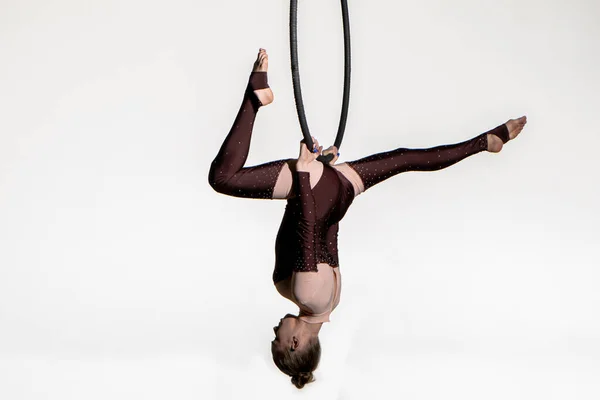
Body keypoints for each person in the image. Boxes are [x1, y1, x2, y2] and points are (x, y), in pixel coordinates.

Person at [208, 49, 527, 389]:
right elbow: (307, 226)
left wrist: (327, 175)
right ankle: (255, 99)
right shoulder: (308, 295)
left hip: (337, 196)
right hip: (315, 195)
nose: (274, 330)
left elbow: (327, 234)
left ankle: (485, 142)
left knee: (403, 159)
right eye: (277, 339)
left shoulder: (330, 302)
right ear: (295, 343)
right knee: (223, 179)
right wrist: (305, 174)